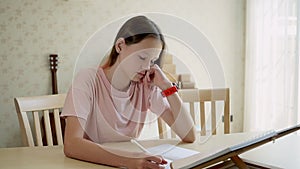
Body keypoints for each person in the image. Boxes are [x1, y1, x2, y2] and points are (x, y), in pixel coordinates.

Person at [61, 15, 196, 169]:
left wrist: (167, 86)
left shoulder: (146, 86)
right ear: (120, 46)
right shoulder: (88, 80)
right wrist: (128, 160)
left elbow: (189, 135)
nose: (146, 67)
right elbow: (72, 145)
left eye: (152, 61)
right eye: (142, 57)